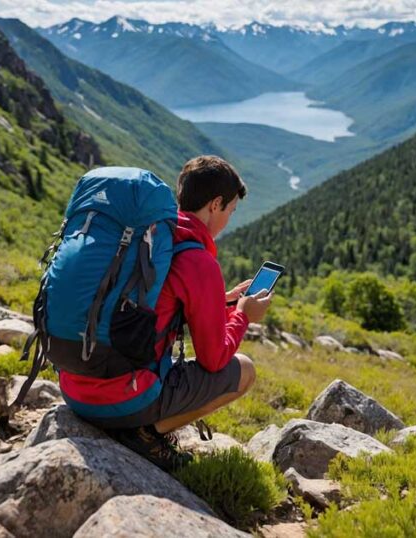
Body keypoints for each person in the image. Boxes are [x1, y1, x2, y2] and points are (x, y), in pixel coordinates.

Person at [57, 155, 273, 470]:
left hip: (74, 388)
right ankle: (145, 432)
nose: (229, 219)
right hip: (120, 401)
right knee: (244, 369)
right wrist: (243, 314)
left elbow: (153, 304)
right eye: (230, 210)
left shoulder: (154, 238)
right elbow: (213, 359)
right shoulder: (198, 261)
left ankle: (137, 422)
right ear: (214, 205)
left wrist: (221, 301)